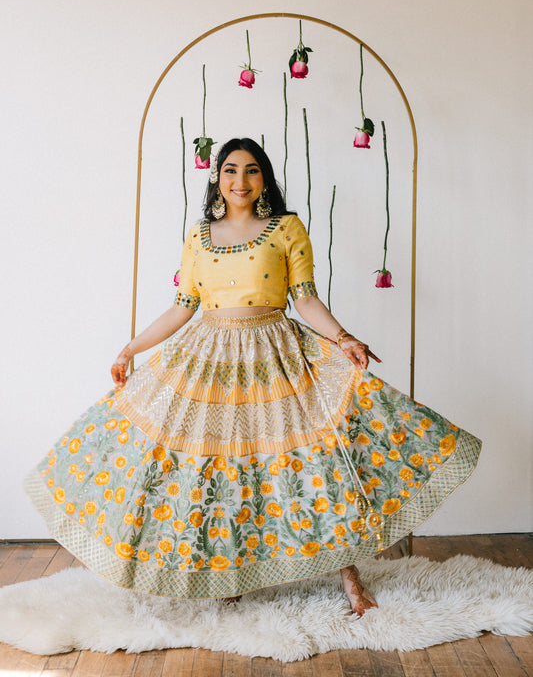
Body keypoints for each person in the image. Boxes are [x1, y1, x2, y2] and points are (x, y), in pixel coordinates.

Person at [25, 138, 481, 618]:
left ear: (264, 178)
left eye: (251, 170)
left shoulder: (286, 228)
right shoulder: (199, 236)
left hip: (274, 356)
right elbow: (183, 307)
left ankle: (351, 581)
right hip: (209, 360)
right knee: (221, 467)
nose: (240, 180)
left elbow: (305, 298)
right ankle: (230, 573)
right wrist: (130, 349)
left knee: (313, 463)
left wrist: (344, 338)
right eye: (230, 170)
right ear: (217, 178)